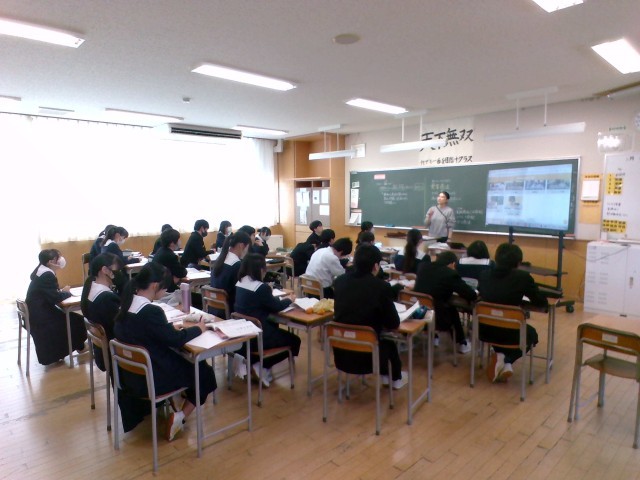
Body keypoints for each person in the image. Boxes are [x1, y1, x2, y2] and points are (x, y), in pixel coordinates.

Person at [114, 262, 216, 440]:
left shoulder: (126, 305)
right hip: (153, 378)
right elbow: (176, 340)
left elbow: (146, 332)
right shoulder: (151, 311)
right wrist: (199, 328)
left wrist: (167, 329)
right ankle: (180, 417)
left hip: (129, 377)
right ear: (155, 286)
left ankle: (177, 410)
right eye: (164, 288)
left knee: (187, 363)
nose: (165, 292)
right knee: (204, 372)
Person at [333, 244, 407, 389]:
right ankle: (395, 379)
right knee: (388, 341)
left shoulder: (340, 281)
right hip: (369, 357)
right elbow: (393, 324)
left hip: (341, 353)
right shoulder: (381, 287)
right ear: (376, 266)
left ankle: (387, 377)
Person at [478, 243, 548, 383]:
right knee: (531, 334)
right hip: (511, 333)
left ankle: (500, 357)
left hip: (484, 331)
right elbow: (541, 302)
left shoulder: (484, 274)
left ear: (496, 258)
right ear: (518, 263)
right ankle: (506, 360)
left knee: (499, 327)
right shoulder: (523, 277)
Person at [233, 254, 301, 387]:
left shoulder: (240, 283)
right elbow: (276, 307)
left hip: (244, 334)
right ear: (260, 269)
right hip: (259, 336)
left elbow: (264, 303)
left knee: (274, 326)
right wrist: (289, 299)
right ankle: (262, 365)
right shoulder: (261, 287)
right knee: (295, 341)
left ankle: (254, 363)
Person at [25, 249, 87, 365]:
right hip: (41, 315)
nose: (61, 259)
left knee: (72, 317)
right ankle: (80, 347)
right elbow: (56, 298)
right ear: (51, 262)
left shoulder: (42, 271)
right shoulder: (47, 275)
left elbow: (51, 293)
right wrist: (66, 292)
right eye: (58, 258)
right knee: (76, 320)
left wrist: (60, 292)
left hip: (37, 312)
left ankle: (79, 347)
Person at [414, 250, 477, 353]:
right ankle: (461, 343)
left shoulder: (423, 266)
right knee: (451, 309)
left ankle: (434, 337)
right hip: (437, 319)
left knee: (438, 304)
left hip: (417, 313)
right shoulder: (450, 274)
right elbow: (470, 294)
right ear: (452, 264)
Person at [80, 253, 123, 370]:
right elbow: (120, 327)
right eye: (117, 270)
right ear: (104, 270)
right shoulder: (106, 298)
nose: (119, 273)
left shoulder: (90, 286)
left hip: (101, 351)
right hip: (115, 353)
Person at [210, 231, 251, 316]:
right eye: (248, 248)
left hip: (214, 308)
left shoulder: (220, 260)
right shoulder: (237, 265)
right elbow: (243, 293)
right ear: (241, 246)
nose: (247, 252)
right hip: (230, 311)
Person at [152, 228, 187, 294]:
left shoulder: (160, 251)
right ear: (172, 243)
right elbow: (182, 273)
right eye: (178, 239)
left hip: (158, 287)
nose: (180, 241)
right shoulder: (170, 255)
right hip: (167, 290)